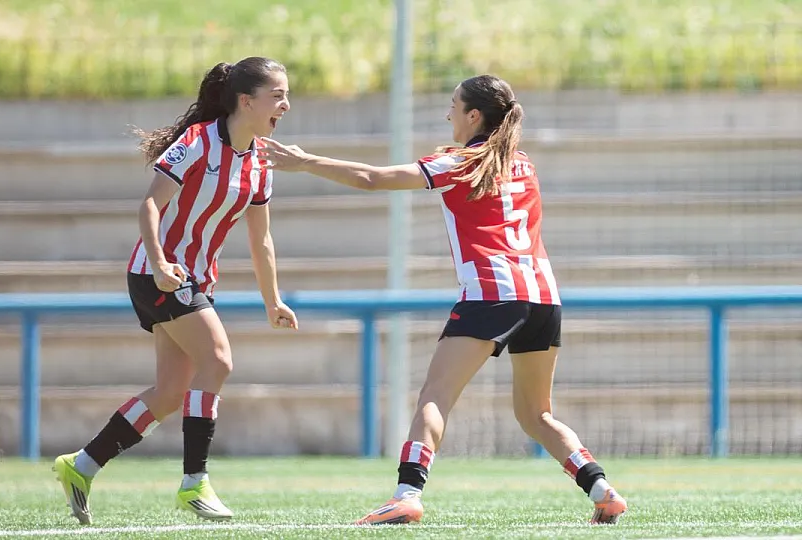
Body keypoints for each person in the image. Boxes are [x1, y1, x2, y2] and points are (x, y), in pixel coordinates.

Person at [258, 74, 628, 526]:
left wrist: (305, 161)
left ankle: (407, 495)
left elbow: (373, 179)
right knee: (536, 414)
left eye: (454, 104)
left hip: (492, 294)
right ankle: (602, 489)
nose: (447, 112)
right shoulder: (523, 162)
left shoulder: (457, 162)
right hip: (543, 297)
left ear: (474, 115)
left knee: (435, 395)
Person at [52, 57, 298, 525]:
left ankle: (81, 465)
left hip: (194, 280)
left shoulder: (261, 162)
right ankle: (194, 483)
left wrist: (273, 301)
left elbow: (261, 239)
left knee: (169, 394)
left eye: (287, 95)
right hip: (156, 273)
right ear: (246, 101)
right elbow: (150, 204)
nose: (286, 104)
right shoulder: (198, 141)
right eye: (277, 95)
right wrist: (162, 263)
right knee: (218, 360)